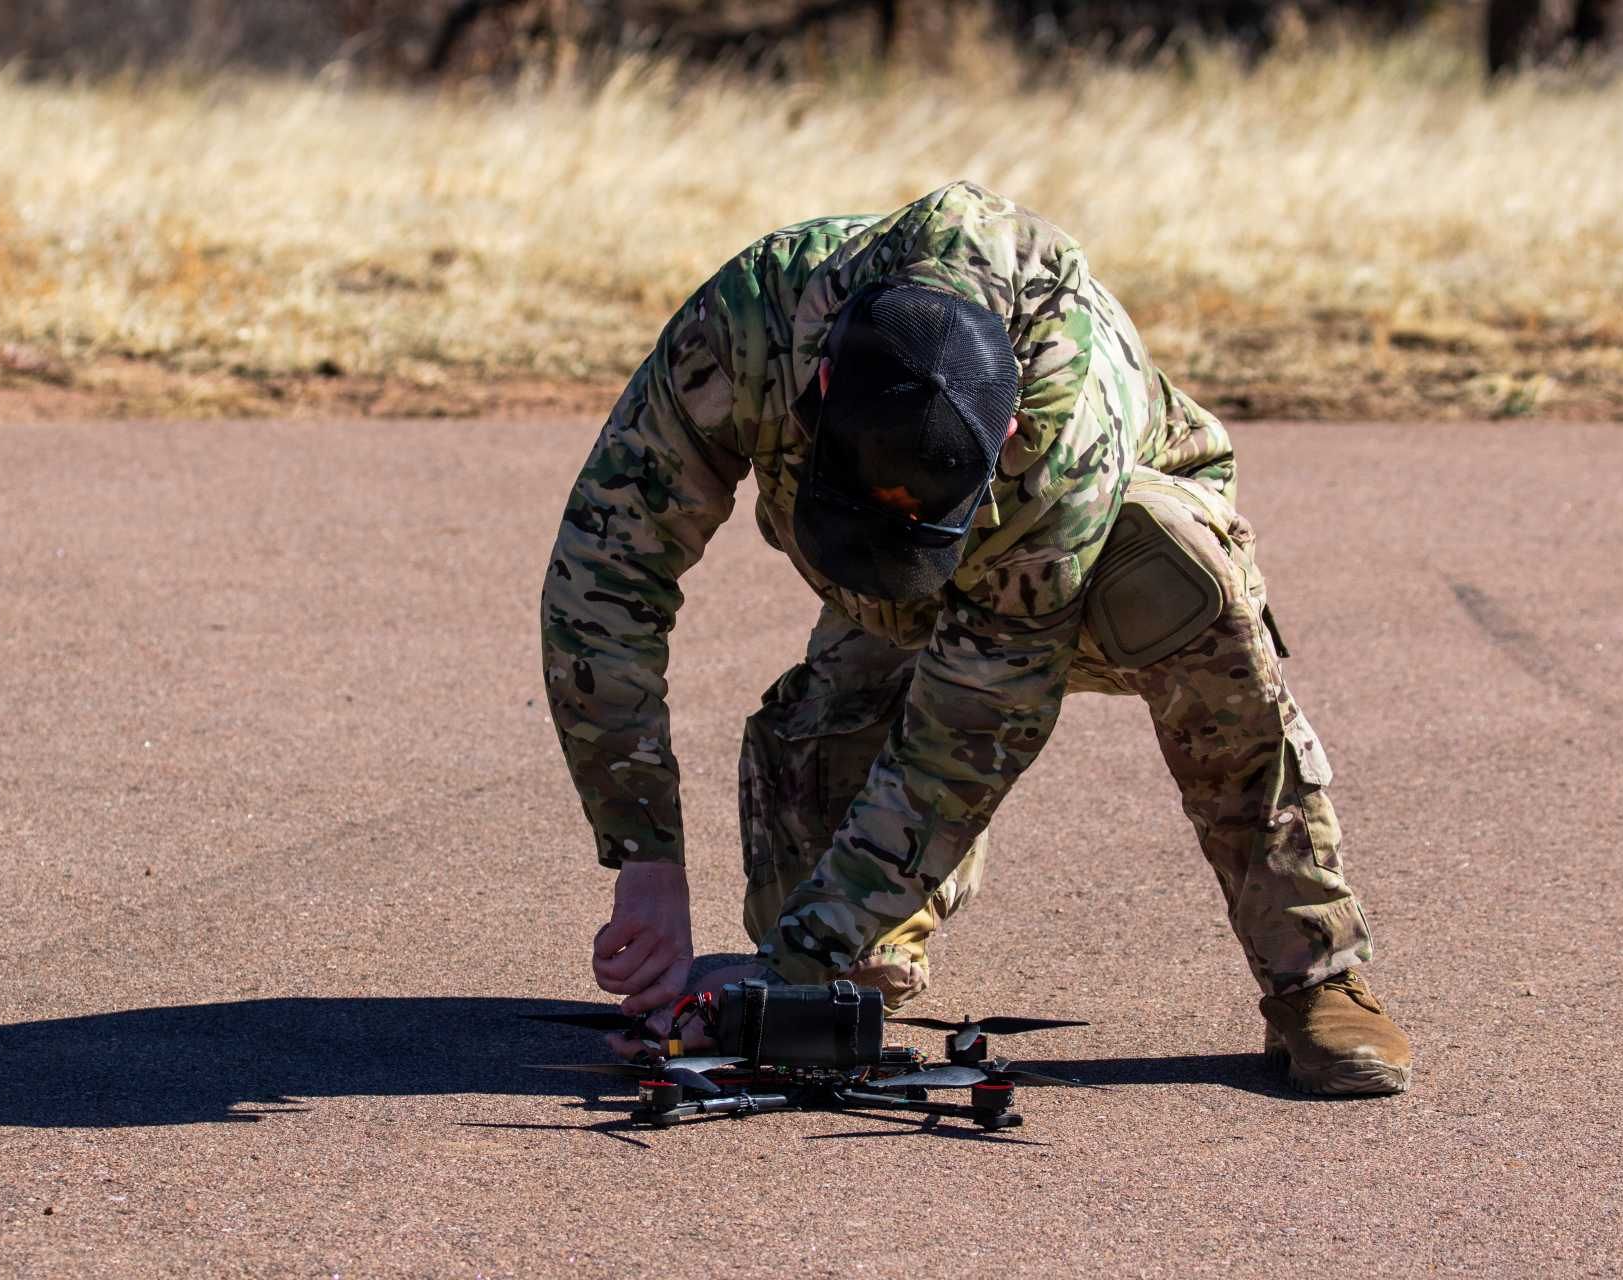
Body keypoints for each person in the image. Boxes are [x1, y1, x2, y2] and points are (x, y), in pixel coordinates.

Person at [539, 181, 1412, 1095]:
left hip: (1088, 564)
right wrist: (645, 855)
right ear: (825, 381)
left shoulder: (1065, 430)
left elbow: (971, 730)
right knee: (839, 983)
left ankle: (1315, 971)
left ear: (1003, 431)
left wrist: (795, 960)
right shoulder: (751, 323)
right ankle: (870, 936)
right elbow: (604, 576)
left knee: (1180, 581)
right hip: (885, 597)